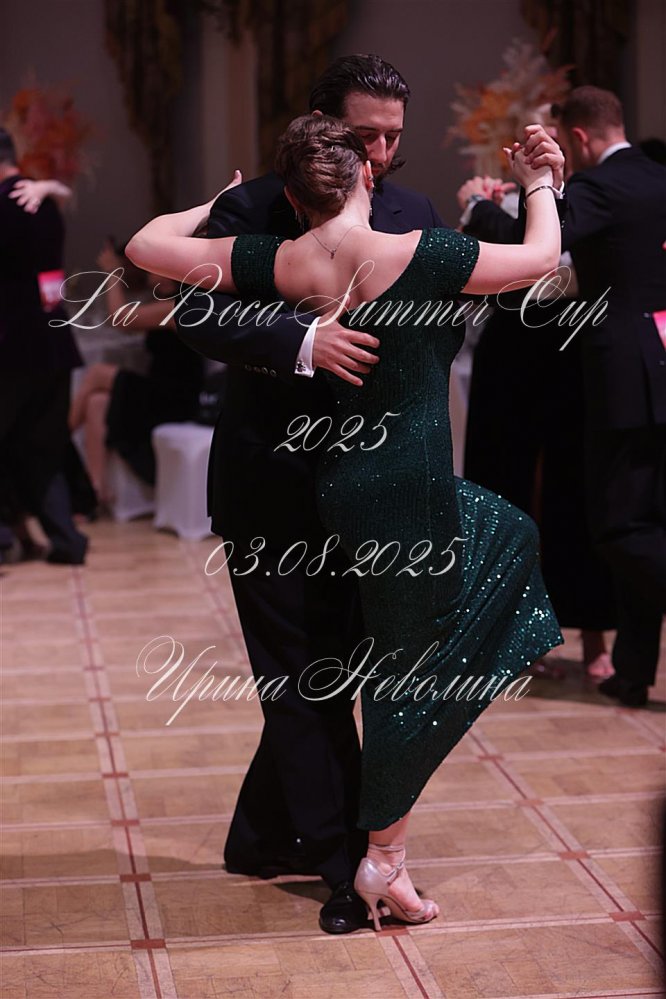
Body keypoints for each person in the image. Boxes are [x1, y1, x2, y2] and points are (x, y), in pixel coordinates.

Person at [126, 112, 564, 930]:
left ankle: (362, 846)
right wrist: (541, 184)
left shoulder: (283, 259)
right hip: (411, 489)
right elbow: (542, 259)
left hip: (343, 488)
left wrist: (210, 205)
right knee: (408, 676)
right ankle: (382, 861)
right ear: (366, 175)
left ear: (293, 197)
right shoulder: (422, 252)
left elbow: (146, 246)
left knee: (480, 568)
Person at [551, 87, 666, 707]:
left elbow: (542, 245)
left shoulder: (597, 187)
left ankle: (633, 667)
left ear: (578, 136)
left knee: (619, 527)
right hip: (661, 362)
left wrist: (503, 202)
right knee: (649, 520)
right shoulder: (658, 177)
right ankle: (633, 670)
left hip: (624, 373)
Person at [0, 128, 88, 565]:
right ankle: (66, 540)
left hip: (9, 344)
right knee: (45, 449)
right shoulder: (43, 201)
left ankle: (4, 538)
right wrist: (50, 185)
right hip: (53, 340)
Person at [68, 240, 203, 505]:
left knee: (96, 373)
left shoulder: (178, 307)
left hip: (176, 398)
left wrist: (112, 272)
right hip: (157, 390)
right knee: (97, 402)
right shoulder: (162, 299)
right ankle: (96, 489)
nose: (145, 269)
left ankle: (55, 441)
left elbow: (120, 318)